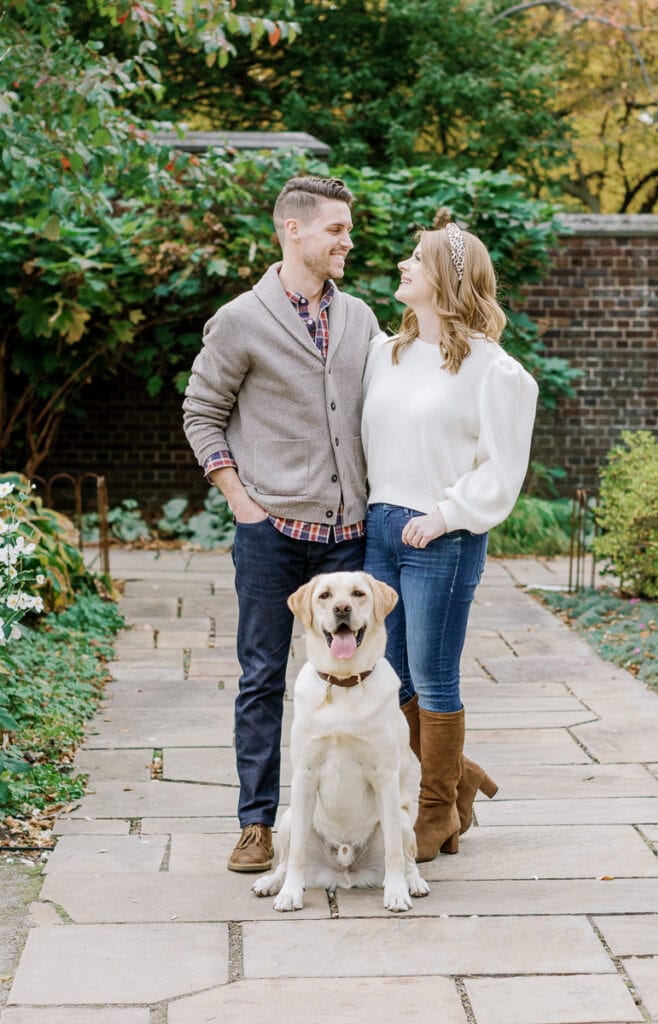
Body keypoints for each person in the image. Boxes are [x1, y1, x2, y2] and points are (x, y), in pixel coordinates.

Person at [183, 175, 379, 873]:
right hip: (272, 537)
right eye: (335, 229)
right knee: (264, 676)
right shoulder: (240, 320)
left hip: (349, 539)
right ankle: (257, 824)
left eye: (347, 229)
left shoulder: (359, 318)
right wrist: (241, 502)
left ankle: (373, 817)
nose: (346, 241)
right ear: (291, 230)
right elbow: (200, 412)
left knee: (363, 679)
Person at [362, 220, 538, 863]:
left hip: (442, 536)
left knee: (434, 678)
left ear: (449, 281)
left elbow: (503, 465)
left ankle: (436, 812)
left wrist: (446, 514)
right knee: (392, 674)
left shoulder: (495, 371)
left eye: (417, 258)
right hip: (379, 529)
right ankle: (457, 775)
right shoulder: (386, 354)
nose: (404, 265)